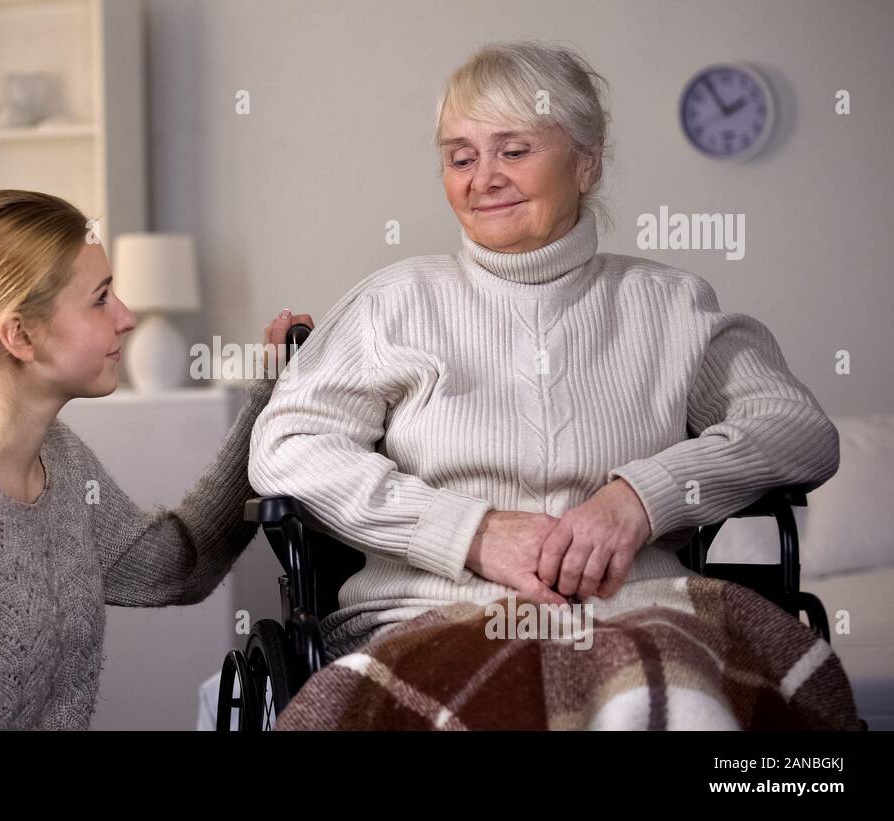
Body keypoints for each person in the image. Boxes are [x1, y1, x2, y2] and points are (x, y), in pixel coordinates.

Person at [248, 41, 840, 661]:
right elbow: (287, 449)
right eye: (460, 158)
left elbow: (798, 430)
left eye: (514, 150)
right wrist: (468, 532)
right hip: (429, 619)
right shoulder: (392, 302)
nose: (484, 178)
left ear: (587, 163)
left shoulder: (671, 304)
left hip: (643, 615)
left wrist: (641, 497)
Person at [0, 189, 312, 729]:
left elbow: (178, 567)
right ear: (20, 335)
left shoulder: (58, 460)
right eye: (100, 299)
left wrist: (269, 401)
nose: (127, 318)